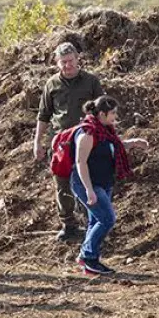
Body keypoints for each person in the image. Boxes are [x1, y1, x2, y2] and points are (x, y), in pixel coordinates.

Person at [70, 96, 149, 276]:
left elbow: (113, 147)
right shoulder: (88, 133)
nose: (115, 116)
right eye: (112, 113)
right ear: (102, 113)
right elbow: (80, 162)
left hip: (104, 182)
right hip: (87, 183)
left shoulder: (105, 130)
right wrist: (89, 190)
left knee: (95, 220)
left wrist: (133, 143)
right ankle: (87, 256)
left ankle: (90, 262)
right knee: (107, 219)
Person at [34, 42, 104, 243]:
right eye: (63, 62)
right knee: (62, 184)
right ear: (57, 63)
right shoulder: (51, 84)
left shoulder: (91, 81)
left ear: (77, 59)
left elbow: (102, 109)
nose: (68, 65)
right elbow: (44, 115)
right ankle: (69, 225)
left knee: (88, 181)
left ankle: (95, 222)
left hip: (87, 141)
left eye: (71, 61)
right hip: (61, 144)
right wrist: (37, 142)